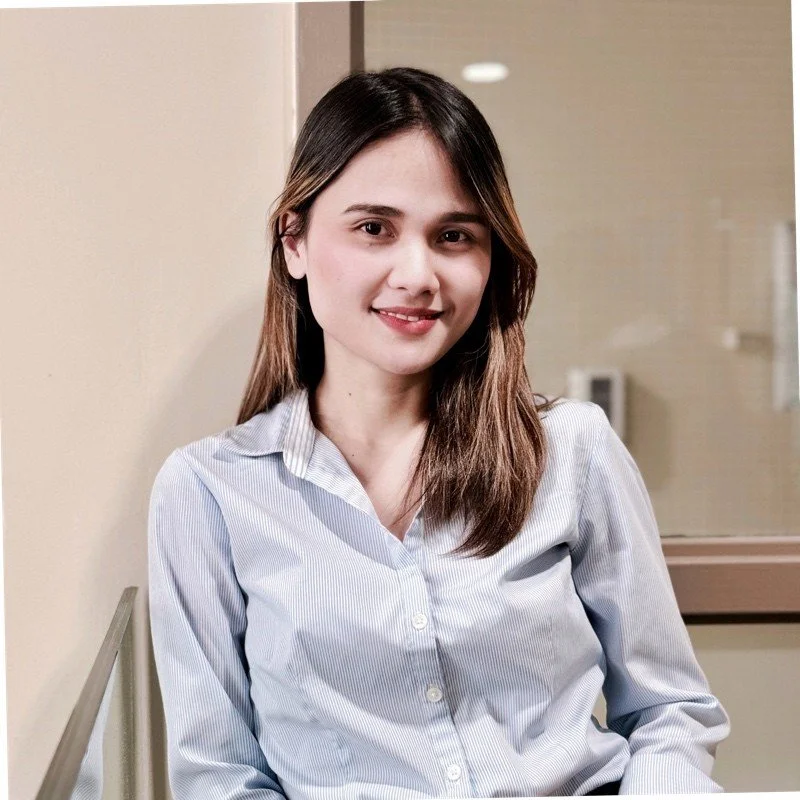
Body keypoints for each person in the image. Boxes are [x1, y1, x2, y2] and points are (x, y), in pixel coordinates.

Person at [148, 66, 730, 799]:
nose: (418, 274)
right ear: (293, 241)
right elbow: (221, 779)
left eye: (453, 235)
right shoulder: (209, 493)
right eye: (373, 229)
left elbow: (669, 713)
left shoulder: (573, 452)